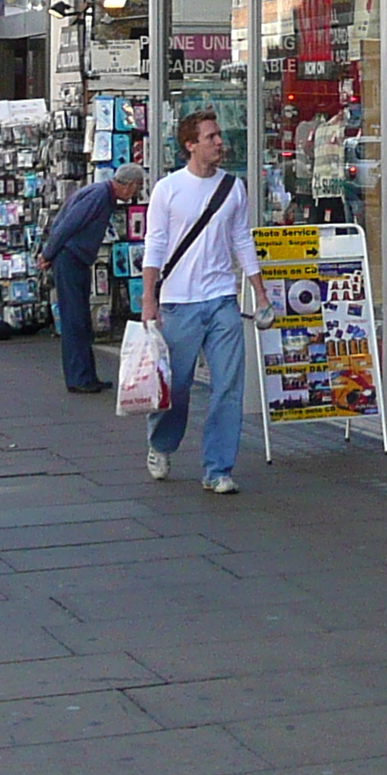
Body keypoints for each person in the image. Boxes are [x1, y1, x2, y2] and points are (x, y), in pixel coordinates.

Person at [138, 111, 260, 495]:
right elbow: (154, 244)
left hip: (222, 298)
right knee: (177, 385)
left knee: (228, 386)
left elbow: (242, 239)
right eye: (211, 137)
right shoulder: (168, 189)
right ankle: (161, 444)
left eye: (219, 136)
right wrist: (149, 298)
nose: (219, 142)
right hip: (179, 302)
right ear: (191, 145)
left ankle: (217, 468)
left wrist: (258, 289)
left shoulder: (233, 188)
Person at [41, 161, 141, 394]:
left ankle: (86, 374)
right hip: (70, 258)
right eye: (137, 187)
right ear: (128, 185)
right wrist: (48, 253)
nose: (136, 193)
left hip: (76, 258)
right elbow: (67, 224)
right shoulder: (99, 196)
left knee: (81, 319)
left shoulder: (101, 194)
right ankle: (79, 376)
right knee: (75, 318)